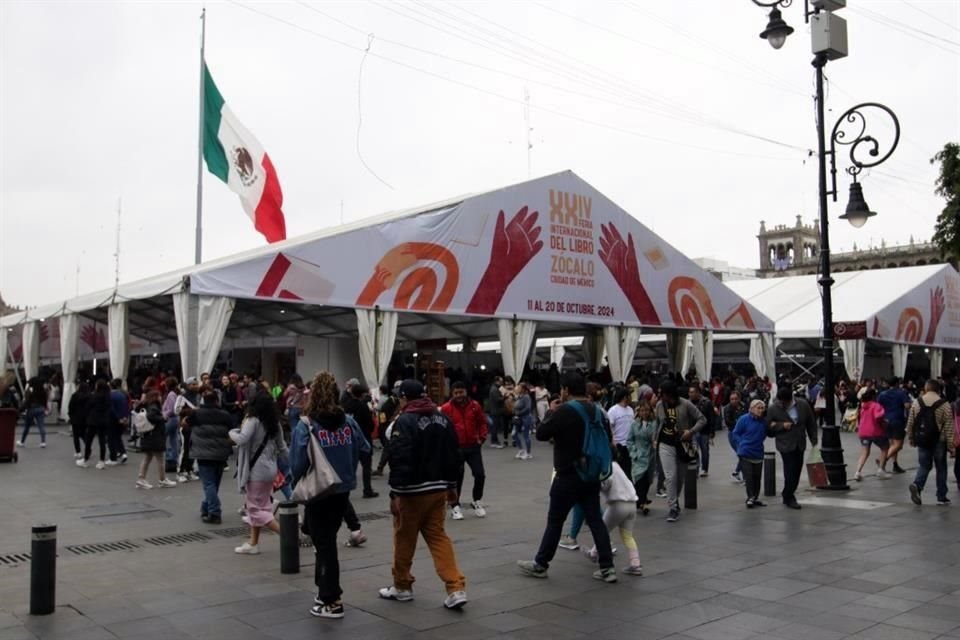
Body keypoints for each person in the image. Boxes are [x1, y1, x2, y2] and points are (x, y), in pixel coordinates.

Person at [517, 372, 617, 583]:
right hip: (591, 474)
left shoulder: (564, 410)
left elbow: (542, 434)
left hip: (567, 475)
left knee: (555, 521)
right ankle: (607, 567)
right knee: (595, 521)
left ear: (565, 390)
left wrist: (551, 411)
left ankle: (541, 564)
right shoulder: (597, 411)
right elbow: (607, 438)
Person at [378, 380, 467, 610]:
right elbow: (454, 454)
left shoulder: (404, 421)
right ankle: (455, 587)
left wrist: (395, 492)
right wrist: (452, 485)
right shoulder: (443, 418)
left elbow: (399, 457)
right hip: (438, 488)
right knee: (438, 537)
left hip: (412, 491)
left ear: (405, 398)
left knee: (404, 538)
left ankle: (402, 585)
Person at [289, 371, 365, 619]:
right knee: (322, 535)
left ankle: (331, 599)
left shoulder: (306, 425)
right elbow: (363, 447)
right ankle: (323, 588)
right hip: (342, 488)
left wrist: (296, 480)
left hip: (319, 489)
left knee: (325, 544)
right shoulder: (348, 421)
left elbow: (297, 463)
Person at [230, 392, 289, 554]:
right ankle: (253, 543)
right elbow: (282, 447)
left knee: (255, 510)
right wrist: (292, 466)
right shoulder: (274, 423)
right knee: (262, 506)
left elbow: (242, 439)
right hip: (270, 469)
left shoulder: (252, 420)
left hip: (256, 471)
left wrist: (231, 433)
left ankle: (289, 535)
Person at [655, 380, 706, 523]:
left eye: (662, 393)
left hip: (683, 444)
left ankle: (675, 500)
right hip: (665, 444)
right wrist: (654, 439)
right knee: (670, 476)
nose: (659, 395)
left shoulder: (685, 404)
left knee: (679, 478)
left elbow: (702, 419)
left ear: (668, 393)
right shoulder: (660, 405)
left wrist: (691, 431)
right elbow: (658, 424)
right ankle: (673, 506)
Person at [582, 461, 643, 576]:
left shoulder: (603, 468)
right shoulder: (615, 465)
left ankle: (594, 554)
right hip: (632, 503)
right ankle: (635, 563)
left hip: (618, 505)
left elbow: (604, 484)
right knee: (627, 536)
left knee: (602, 531)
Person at [440, 381, 489, 520]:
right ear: (452, 394)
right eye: (456, 393)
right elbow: (443, 428)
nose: (459, 395)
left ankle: (477, 500)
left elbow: (482, 422)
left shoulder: (475, 406)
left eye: (461, 392)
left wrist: (482, 437)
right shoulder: (446, 408)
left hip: (473, 446)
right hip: (456, 448)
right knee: (456, 479)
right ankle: (455, 506)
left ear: (466, 392)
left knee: (480, 474)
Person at [184, 389, 234, 524]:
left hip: (203, 453)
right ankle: (206, 507)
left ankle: (214, 512)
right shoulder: (225, 414)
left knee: (209, 484)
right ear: (216, 400)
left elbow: (185, 425)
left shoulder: (196, 414)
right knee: (214, 483)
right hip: (221, 453)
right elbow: (233, 430)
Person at [766, 386, 818, 508]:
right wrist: (781, 426)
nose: (781, 403)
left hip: (800, 443)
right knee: (790, 471)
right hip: (785, 444)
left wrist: (814, 440)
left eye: (783, 401)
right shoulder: (774, 408)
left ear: (790, 399)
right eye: (779, 401)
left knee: (797, 471)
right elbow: (768, 427)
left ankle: (787, 493)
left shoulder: (803, 405)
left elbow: (811, 423)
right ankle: (789, 496)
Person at [907, 379, 955, 506]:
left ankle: (917, 485)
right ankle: (941, 496)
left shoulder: (917, 402)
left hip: (922, 439)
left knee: (924, 465)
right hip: (939, 441)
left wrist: (911, 437)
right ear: (939, 390)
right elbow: (949, 426)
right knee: (941, 468)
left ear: (926, 388)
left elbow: (910, 421)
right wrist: (951, 446)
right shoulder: (945, 404)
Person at [341, 383, 378, 498]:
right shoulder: (362, 406)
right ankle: (367, 489)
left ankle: (345, 488)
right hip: (363, 437)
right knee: (366, 465)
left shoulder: (346, 405)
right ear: (362, 395)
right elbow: (369, 423)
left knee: (351, 465)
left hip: (349, 438)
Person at [135, 390, 177, 489]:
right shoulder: (154, 407)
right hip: (155, 436)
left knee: (147, 458)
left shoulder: (147, 405)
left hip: (148, 436)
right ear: (155, 397)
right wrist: (163, 418)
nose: (161, 397)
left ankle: (141, 479)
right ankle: (162, 480)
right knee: (160, 459)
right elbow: (151, 416)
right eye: (159, 396)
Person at [732, 400, 768, 508]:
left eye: (762, 408)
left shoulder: (764, 421)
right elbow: (735, 433)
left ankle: (755, 497)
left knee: (757, 477)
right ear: (752, 409)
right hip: (745, 452)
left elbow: (767, 433)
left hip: (758, 452)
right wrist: (742, 443)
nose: (761, 410)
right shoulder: (744, 419)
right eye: (758, 408)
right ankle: (750, 497)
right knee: (749, 477)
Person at [852, 387, 889, 482]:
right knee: (885, 448)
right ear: (873, 396)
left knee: (865, 452)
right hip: (876, 432)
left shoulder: (863, 406)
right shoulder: (876, 405)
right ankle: (881, 469)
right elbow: (878, 417)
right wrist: (884, 422)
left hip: (863, 431)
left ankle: (857, 472)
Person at [626, 400, 657, 515]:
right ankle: (642, 503)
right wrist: (633, 453)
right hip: (638, 456)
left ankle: (641, 501)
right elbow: (629, 440)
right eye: (642, 410)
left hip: (649, 456)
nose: (644, 413)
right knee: (639, 480)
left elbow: (654, 438)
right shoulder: (634, 424)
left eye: (647, 410)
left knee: (647, 480)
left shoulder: (654, 424)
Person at [877, 377, 911, 474]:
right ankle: (883, 460)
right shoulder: (901, 392)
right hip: (898, 420)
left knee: (892, 444)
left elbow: (878, 406)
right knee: (898, 445)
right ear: (897, 383)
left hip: (886, 420)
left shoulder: (882, 394)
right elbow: (907, 406)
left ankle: (895, 465)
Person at [79, 380, 111, 469]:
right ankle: (101, 461)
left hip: (93, 420)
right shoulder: (107, 397)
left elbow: (87, 407)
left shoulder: (95, 396)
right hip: (103, 421)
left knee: (89, 440)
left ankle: (85, 459)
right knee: (102, 441)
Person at [607, 388, 635, 480]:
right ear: (624, 397)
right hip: (619, 445)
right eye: (629, 396)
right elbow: (609, 427)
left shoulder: (630, 410)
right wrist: (613, 442)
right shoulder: (613, 410)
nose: (631, 398)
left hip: (630, 445)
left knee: (629, 471)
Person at [687, 384, 714, 478]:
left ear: (698, 392)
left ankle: (705, 469)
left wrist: (711, 432)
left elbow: (711, 418)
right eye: (689, 392)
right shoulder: (688, 403)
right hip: (693, 430)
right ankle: (696, 468)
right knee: (694, 450)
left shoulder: (706, 402)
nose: (690, 394)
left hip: (704, 431)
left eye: (692, 392)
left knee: (705, 450)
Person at [722, 391, 748, 483]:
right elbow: (728, 422)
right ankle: (745, 477)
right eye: (732, 399)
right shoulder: (727, 409)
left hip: (744, 433)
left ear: (739, 398)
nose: (734, 401)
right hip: (733, 434)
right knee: (742, 454)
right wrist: (740, 424)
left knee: (743, 454)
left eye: (735, 399)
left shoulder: (744, 406)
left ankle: (737, 471)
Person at [19, 377, 48, 447]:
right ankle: (43, 442)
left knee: (27, 427)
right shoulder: (42, 390)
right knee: (41, 426)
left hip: (31, 409)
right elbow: (45, 400)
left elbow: (27, 401)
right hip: (41, 409)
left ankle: (22, 441)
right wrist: (45, 408)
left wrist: (21, 409)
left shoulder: (29, 391)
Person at [106, 378, 129, 465]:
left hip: (113, 419)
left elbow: (112, 409)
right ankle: (123, 453)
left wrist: (118, 417)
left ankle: (113, 458)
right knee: (117, 437)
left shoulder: (110, 396)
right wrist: (125, 417)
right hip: (123, 418)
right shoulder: (123, 395)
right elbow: (127, 407)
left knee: (111, 438)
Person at [68, 381, 92, 460]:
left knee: (76, 436)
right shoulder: (89, 396)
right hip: (85, 418)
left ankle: (78, 452)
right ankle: (88, 448)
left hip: (75, 418)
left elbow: (71, 407)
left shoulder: (75, 396)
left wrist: (70, 416)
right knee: (84, 434)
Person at [161, 377, 180, 472]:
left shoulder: (171, 395)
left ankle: (169, 458)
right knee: (173, 439)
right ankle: (174, 459)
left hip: (171, 419)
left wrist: (164, 414)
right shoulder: (175, 394)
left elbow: (172, 409)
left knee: (165, 437)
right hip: (175, 419)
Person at [513, 382, 534, 459]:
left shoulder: (526, 397)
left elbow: (528, 408)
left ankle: (528, 453)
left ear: (523, 389)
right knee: (514, 434)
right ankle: (521, 450)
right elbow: (515, 406)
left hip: (526, 418)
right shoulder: (519, 397)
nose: (517, 389)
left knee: (526, 435)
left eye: (519, 387)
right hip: (519, 418)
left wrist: (519, 413)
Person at [487, 376, 505, 449]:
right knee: (495, 427)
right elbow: (498, 399)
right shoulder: (494, 389)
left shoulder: (495, 388)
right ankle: (494, 441)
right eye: (500, 381)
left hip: (496, 410)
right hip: (495, 410)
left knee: (495, 426)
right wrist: (504, 397)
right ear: (496, 381)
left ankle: (495, 441)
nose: (501, 383)